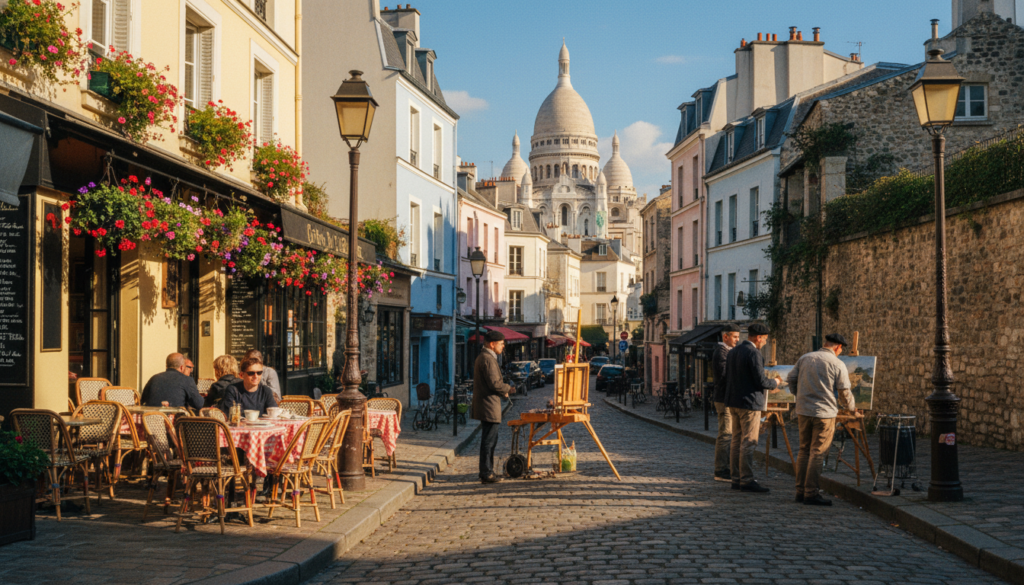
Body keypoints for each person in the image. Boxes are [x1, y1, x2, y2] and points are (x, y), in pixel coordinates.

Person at [787, 333, 860, 506]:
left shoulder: (805, 358)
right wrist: (852, 410)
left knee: (804, 450)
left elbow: (791, 378)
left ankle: (800, 491)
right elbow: (844, 390)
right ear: (838, 347)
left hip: (804, 411)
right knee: (817, 452)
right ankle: (811, 493)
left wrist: (798, 395)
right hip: (824, 413)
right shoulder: (837, 363)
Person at [724, 323, 779, 493]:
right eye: (764, 340)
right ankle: (746, 479)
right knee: (748, 441)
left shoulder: (733, 352)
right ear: (758, 338)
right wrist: (775, 382)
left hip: (733, 401)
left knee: (736, 441)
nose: (764, 343)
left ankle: (736, 478)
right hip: (749, 403)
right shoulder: (753, 353)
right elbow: (760, 381)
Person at [471, 330, 514, 484]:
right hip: (488, 405)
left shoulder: (486, 357)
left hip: (488, 405)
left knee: (489, 440)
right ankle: (486, 472)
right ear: (492, 344)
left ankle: (487, 471)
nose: (503, 346)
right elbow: (494, 384)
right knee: (489, 441)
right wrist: (508, 388)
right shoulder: (487, 358)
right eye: (501, 344)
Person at [712, 324, 741, 482]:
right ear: (725, 337)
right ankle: (721, 469)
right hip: (723, 399)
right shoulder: (721, 352)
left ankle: (727, 467)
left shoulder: (728, 352)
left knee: (729, 434)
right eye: (735, 337)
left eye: (738, 337)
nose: (737, 340)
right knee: (725, 434)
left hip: (728, 398)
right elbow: (724, 376)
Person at [140, 353, 205, 410]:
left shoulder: (153, 378)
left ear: (166, 366)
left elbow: (143, 401)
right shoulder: (187, 380)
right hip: (175, 421)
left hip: (150, 420)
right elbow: (199, 404)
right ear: (182, 367)